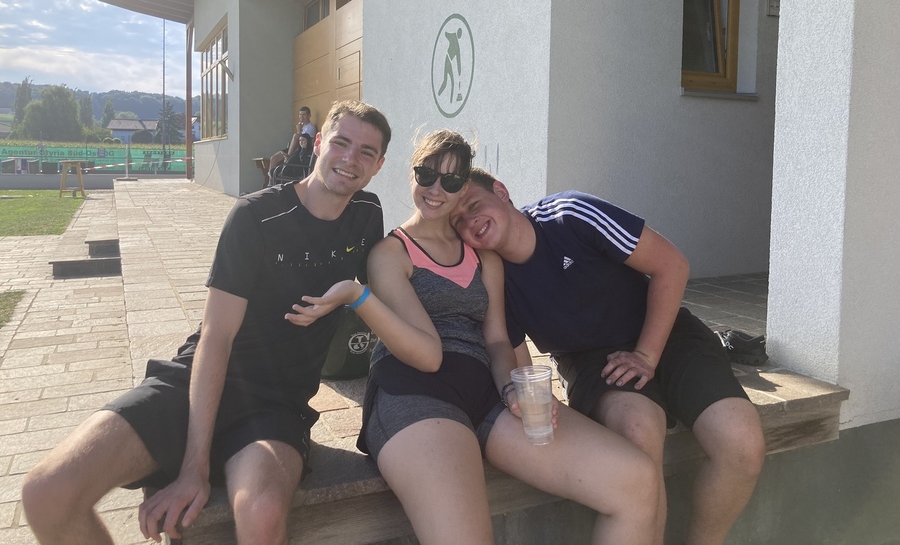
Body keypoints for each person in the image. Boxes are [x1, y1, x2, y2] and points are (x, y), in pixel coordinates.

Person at [21, 100, 392, 545]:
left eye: (366, 152)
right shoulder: (256, 216)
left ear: (379, 166)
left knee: (262, 513)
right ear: (316, 145)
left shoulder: (367, 214)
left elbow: (393, 287)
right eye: (341, 142)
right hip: (194, 381)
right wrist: (192, 469)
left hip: (275, 404)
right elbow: (217, 337)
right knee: (47, 492)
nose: (351, 159)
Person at [287, 131, 658, 544]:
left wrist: (513, 388)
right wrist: (358, 296)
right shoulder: (391, 254)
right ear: (412, 173)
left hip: (485, 390)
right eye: (426, 174)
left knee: (636, 481)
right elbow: (427, 356)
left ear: (464, 186)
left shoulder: (483, 255)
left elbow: (497, 340)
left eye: (450, 180)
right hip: (414, 393)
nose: (436, 189)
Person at [451, 169, 767, 545]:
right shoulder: (492, 276)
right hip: (588, 358)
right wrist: (525, 397)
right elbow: (509, 350)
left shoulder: (569, 214)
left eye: (473, 205)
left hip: (667, 332)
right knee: (638, 432)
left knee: (742, 443)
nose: (469, 221)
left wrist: (646, 354)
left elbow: (672, 265)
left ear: (501, 192)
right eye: (458, 221)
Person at [268, 106, 317, 183]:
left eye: (304, 115)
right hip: (293, 149)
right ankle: (270, 183)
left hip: (299, 151)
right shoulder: (301, 125)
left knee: (296, 136)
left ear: (309, 116)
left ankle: (288, 158)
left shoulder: (310, 127)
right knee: (273, 158)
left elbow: (305, 143)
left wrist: (299, 131)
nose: (301, 117)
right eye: (300, 115)